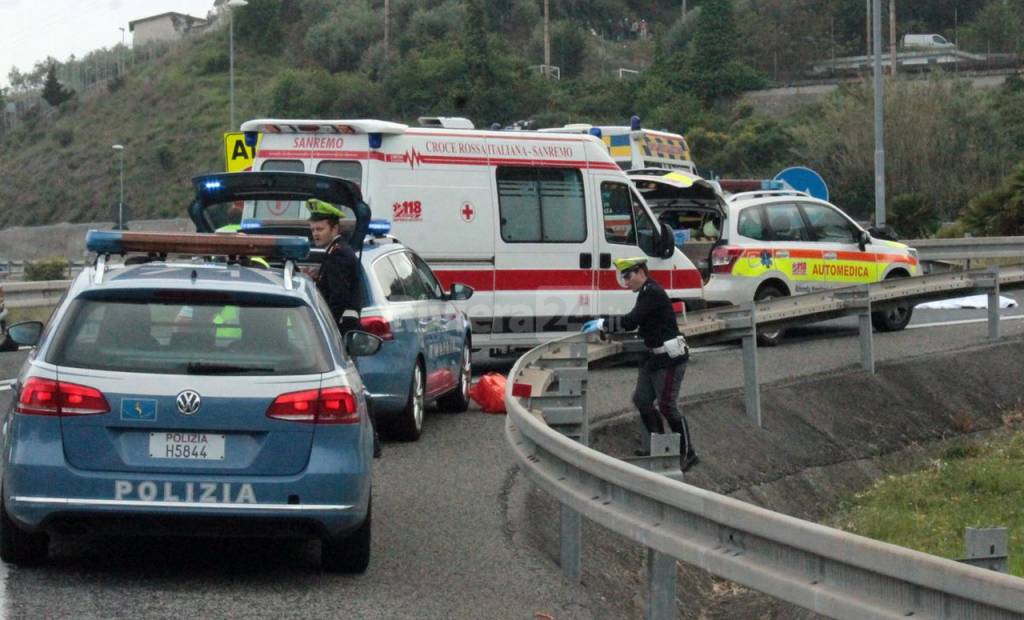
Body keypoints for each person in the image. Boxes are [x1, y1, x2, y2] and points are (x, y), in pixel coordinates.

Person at [582, 257, 698, 472]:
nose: (625, 281)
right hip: (653, 357)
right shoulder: (645, 292)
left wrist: (602, 323)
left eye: (628, 276)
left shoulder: (652, 291)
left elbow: (631, 320)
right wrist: (605, 324)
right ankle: (660, 446)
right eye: (623, 277)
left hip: (670, 359)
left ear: (641, 272)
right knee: (642, 400)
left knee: (667, 405)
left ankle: (688, 452)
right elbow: (637, 321)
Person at [307, 198, 362, 333]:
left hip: (340, 327)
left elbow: (338, 297)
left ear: (335, 228)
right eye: (313, 229)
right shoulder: (336, 251)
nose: (315, 234)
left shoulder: (338, 254)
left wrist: (326, 327)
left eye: (320, 229)